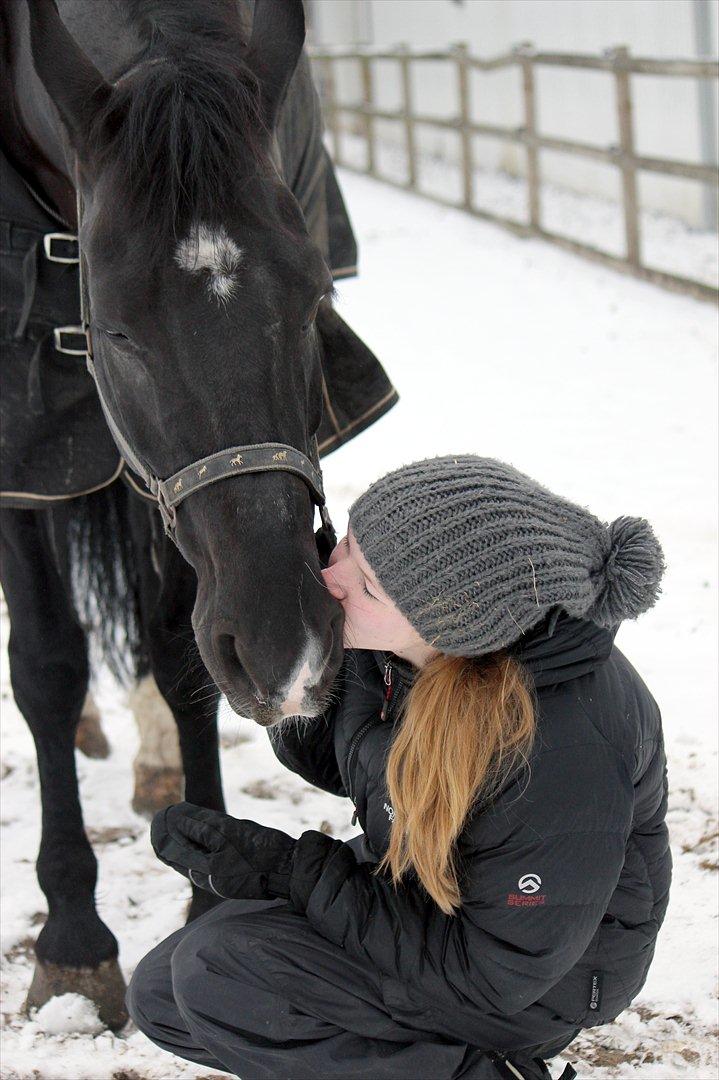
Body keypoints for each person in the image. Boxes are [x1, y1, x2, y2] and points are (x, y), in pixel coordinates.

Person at [127, 455, 670, 1080]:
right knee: (162, 995)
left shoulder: (559, 745)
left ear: (451, 618)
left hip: (536, 980)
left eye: (370, 585)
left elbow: (492, 975)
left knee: (220, 972)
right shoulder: (413, 647)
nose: (335, 577)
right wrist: (294, 671)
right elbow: (355, 763)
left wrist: (287, 870)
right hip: (426, 891)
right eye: (350, 545)